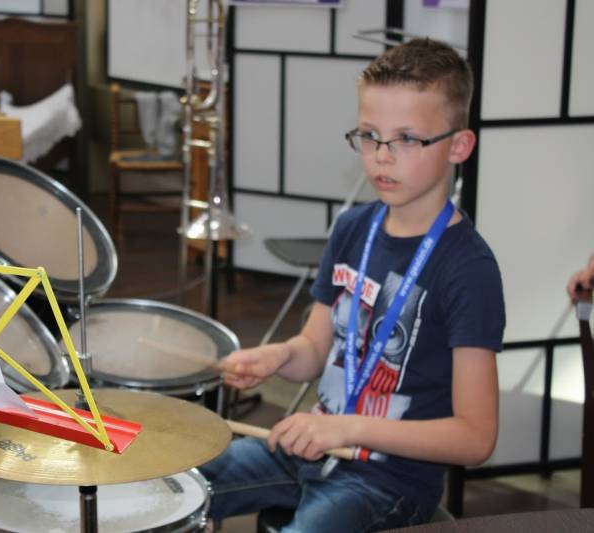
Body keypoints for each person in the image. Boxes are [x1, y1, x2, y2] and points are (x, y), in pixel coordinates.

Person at [201, 38, 506, 532]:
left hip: (390, 481)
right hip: (313, 449)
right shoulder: (352, 229)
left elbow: (475, 438)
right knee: (177, 486)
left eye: (407, 139)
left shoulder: (468, 269)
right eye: (369, 135)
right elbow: (314, 351)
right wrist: (279, 355)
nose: (382, 156)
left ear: (458, 145)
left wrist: (347, 427)